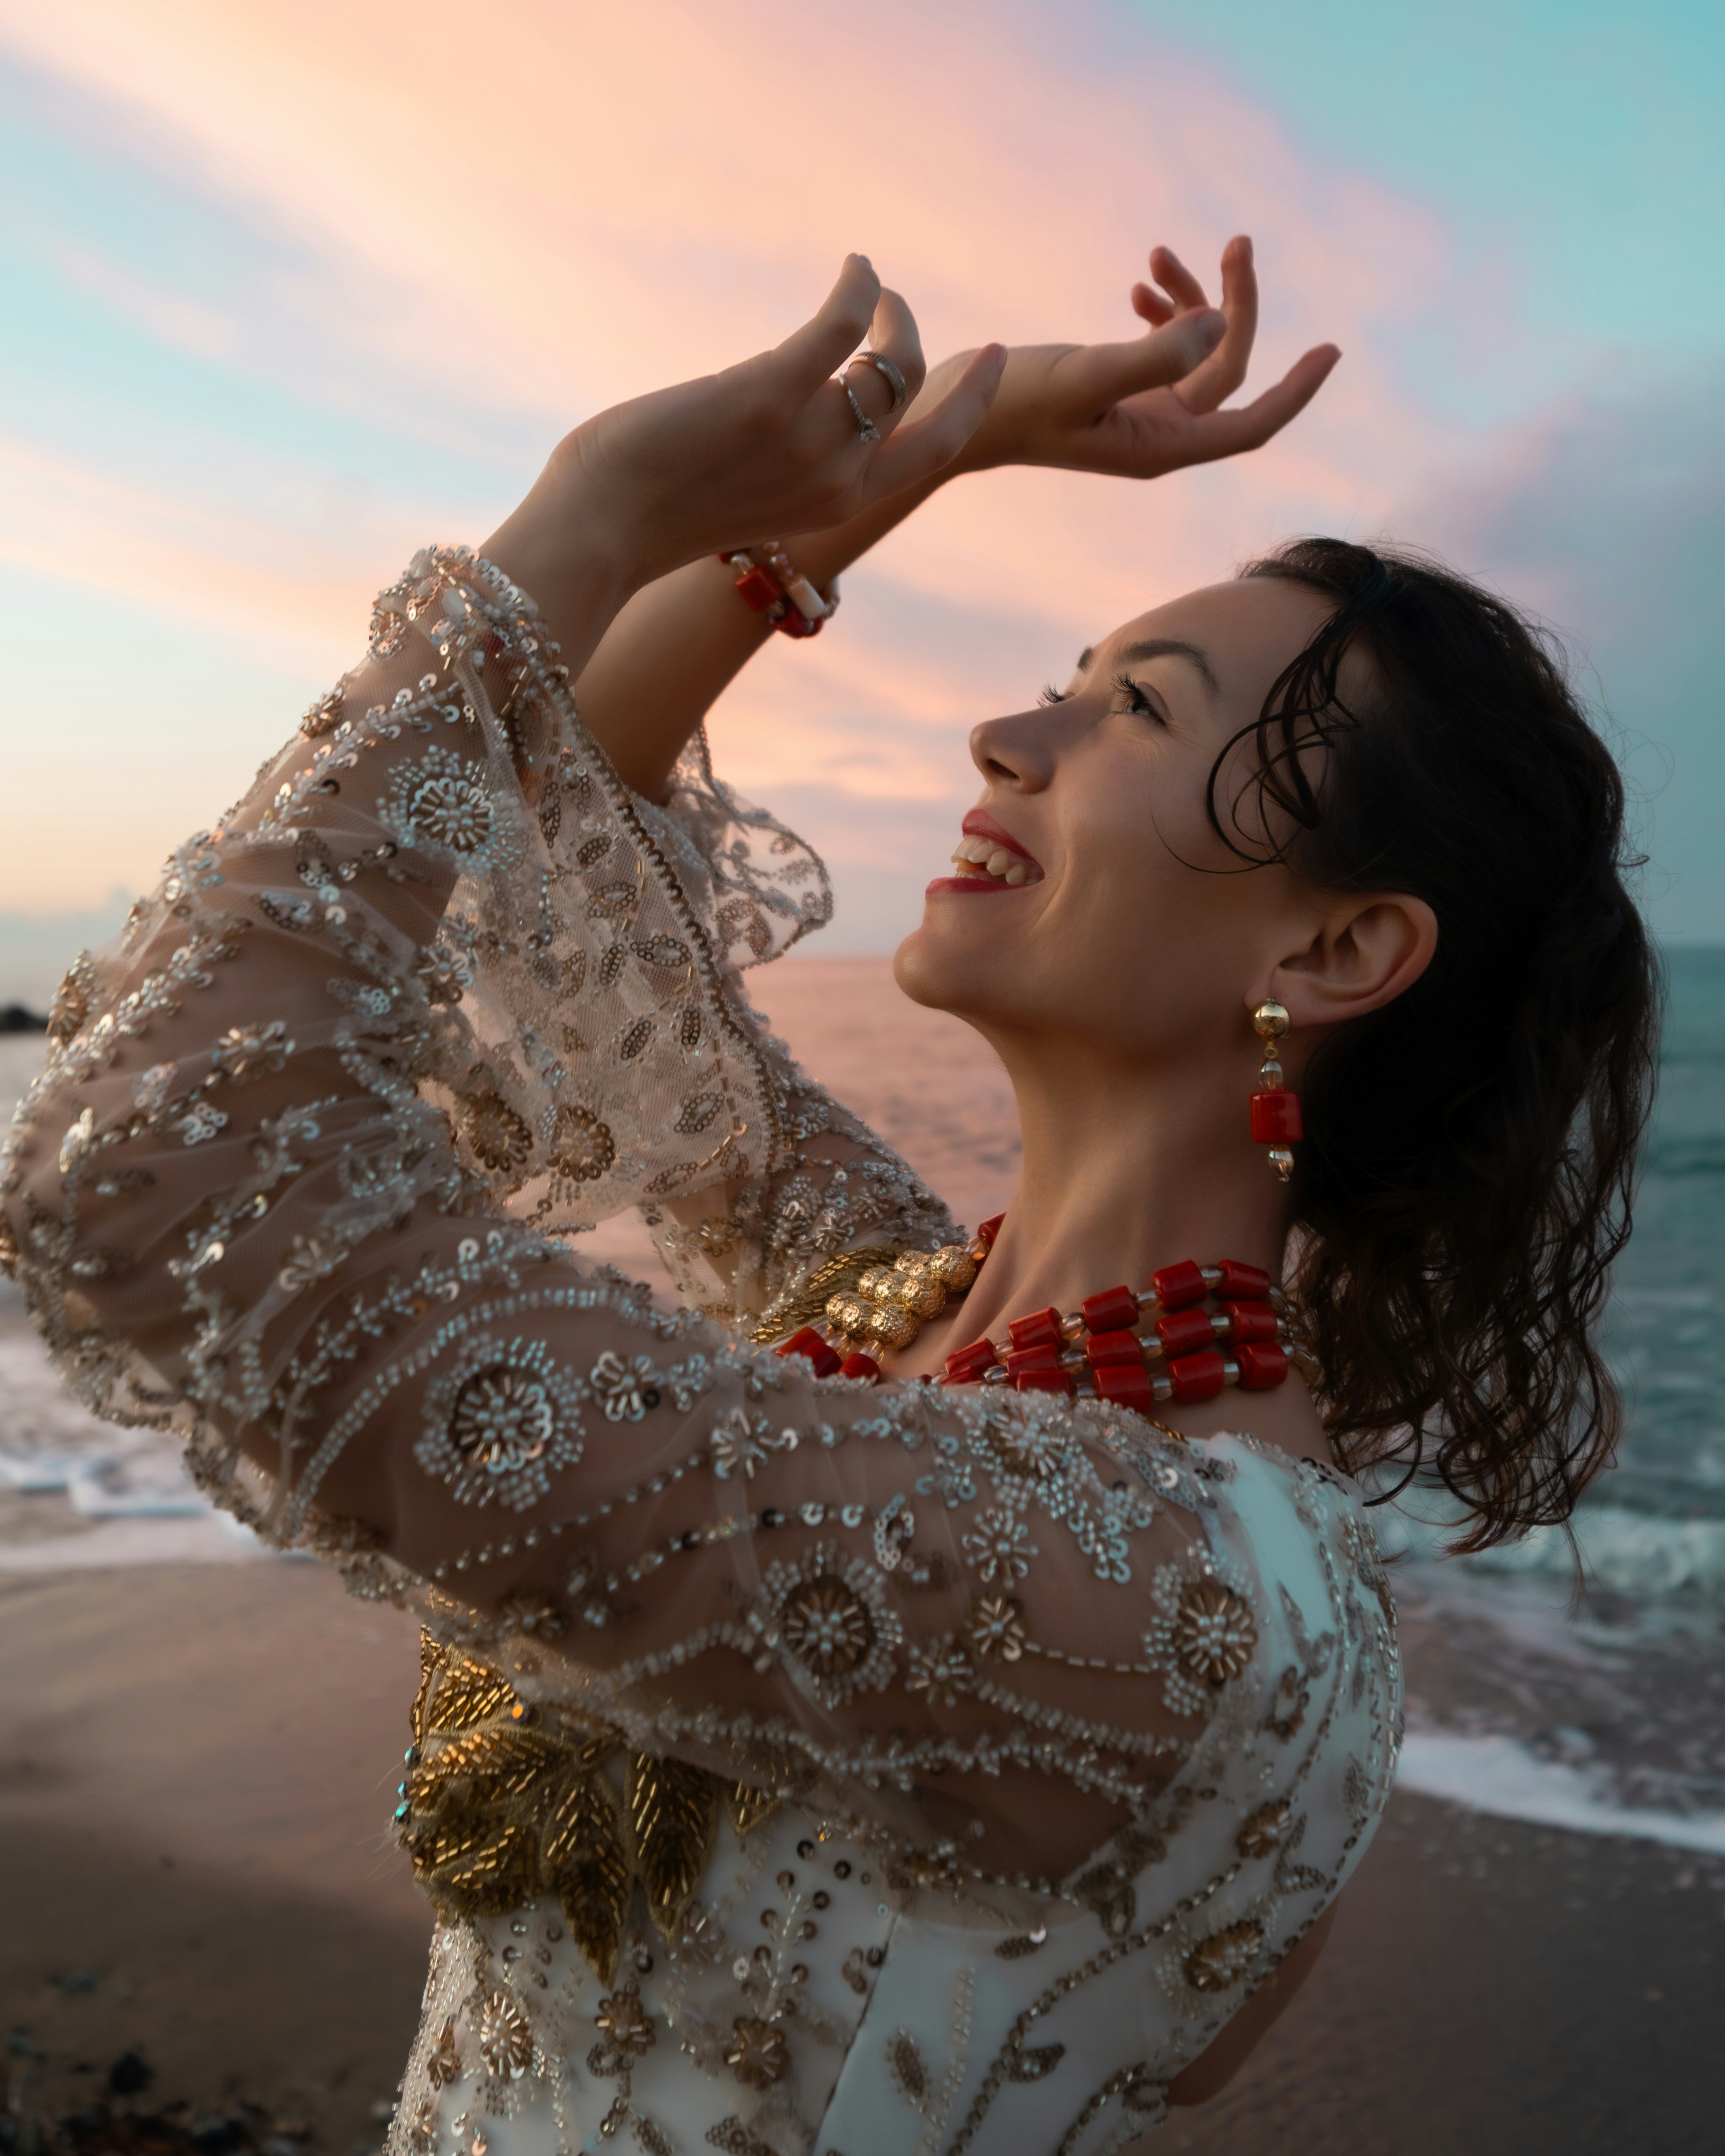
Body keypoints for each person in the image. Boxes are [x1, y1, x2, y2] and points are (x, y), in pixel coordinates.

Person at [2, 239, 1655, 2154]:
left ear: (1344, 944)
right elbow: (579, 848)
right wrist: (858, 497)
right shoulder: (896, 1309)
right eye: (1064, 679)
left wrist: (595, 504)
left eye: (1135, 713)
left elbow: (156, 1161)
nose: (1006, 735)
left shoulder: (1166, 1595)